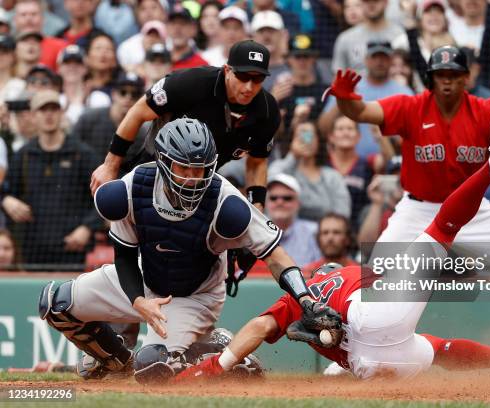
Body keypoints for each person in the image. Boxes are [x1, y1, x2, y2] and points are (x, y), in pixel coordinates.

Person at [174, 108, 490, 381]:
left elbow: (262, 326)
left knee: (436, 349)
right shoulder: (350, 276)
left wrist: (217, 367)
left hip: (371, 358)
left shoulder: (302, 295)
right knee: (442, 230)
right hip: (375, 319)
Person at [324, 45, 490, 377]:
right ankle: (346, 355)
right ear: (430, 79)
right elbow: (362, 111)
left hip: (474, 210)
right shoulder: (410, 107)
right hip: (417, 209)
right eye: (441, 75)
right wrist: (343, 99)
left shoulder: (485, 110)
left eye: (454, 75)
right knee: (372, 277)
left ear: (467, 78)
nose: (447, 82)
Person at [38, 117, 341, 383]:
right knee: (56, 303)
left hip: (194, 296)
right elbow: (124, 255)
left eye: (201, 169)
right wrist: (138, 300)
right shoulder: (134, 187)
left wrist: (305, 299)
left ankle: (221, 352)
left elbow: (275, 256)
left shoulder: (226, 201)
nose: (193, 178)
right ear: (164, 162)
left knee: (152, 368)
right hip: (143, 277)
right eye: (185, 167)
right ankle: (114, 361)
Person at [90, 40, 281, 216]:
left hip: (202, 184)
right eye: (243, 76)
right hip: (154, 171)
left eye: (257, 79)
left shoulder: (267, 111)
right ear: (227, 70)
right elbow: (138, 111)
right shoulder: (192, 82)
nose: (249, 86)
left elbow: (257, 162)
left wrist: (256, 207)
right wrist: (110, 166)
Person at [2, 90, 102, 270]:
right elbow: (7, 191)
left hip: (72, 247)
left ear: (61, 113)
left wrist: (87, 228)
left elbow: (102, 197)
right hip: (32, 249)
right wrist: (7, 200)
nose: (49, 115)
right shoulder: (23, 155)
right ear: (33, 116)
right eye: (42, 110)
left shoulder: (82, 154)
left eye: (54, 109)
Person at [269, 121, 351, 222]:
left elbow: (342, 213)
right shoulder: (284, 170)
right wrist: (293, 156)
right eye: (300, 135)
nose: (305, 140)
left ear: (318, 141)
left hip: (323, 234)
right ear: (292, 141)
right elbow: (270, 180)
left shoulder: (333, 177)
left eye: (310, 135)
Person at [331, 0, 406, 74]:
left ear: (385, 2)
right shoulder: (345, 39)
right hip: (357, 85)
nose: (371, 4)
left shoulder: (401, 35)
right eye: (366, 1)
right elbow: (338, 76)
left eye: (376, 1)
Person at [265, 173, 321, 266]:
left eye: (287, 198)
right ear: (266, 203)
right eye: (273, 198)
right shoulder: (255, 232)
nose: (279, 202)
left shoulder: (314, 232)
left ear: (298, 203)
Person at [302, 213, 358, 277]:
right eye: (325, 233)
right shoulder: (306, 273)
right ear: (318, 238)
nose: (330, 238)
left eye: (336, 232)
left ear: (347, 238)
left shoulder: (359, 273)